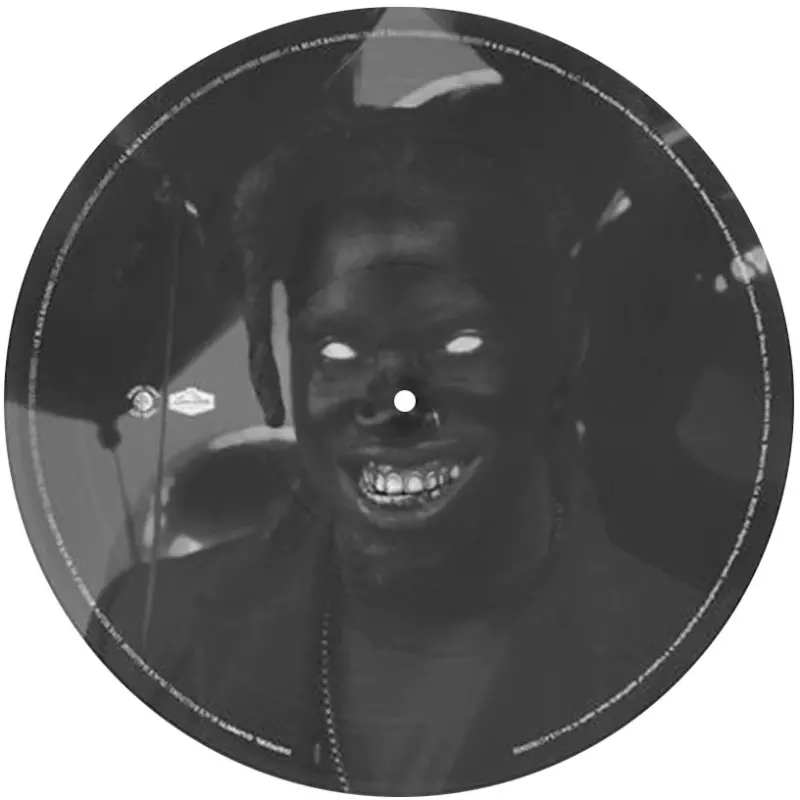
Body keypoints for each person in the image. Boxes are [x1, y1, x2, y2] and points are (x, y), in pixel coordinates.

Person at [86, 89, 715, 795]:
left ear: (563, 347)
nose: (399, 404)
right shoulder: (151, 639)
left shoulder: (696, 667)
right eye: (338, 351)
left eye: (457, 342)